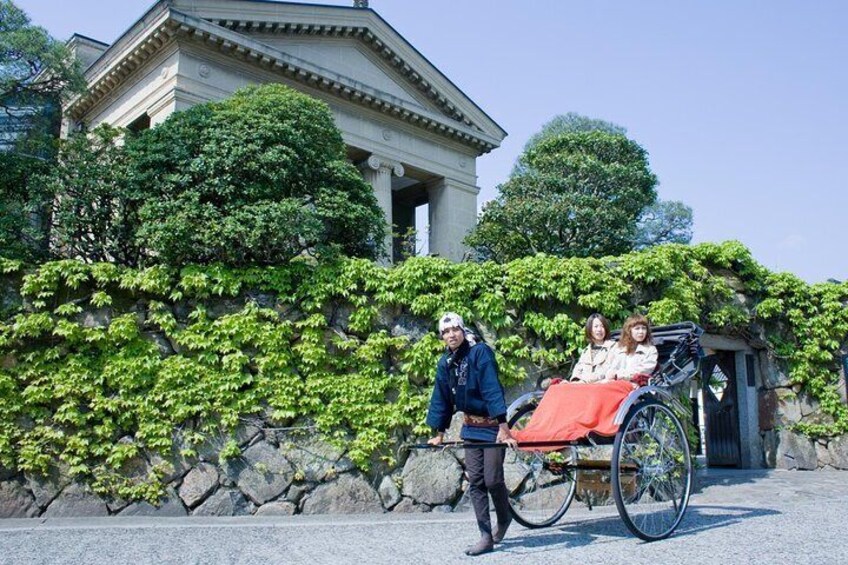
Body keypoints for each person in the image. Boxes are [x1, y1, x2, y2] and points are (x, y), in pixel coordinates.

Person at [426, 312, 517, 556]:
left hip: (492, 427)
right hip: (470, 427)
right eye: (445, 332)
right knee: (475, 481)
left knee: (492, 479)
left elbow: (491, 388)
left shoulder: (480, 352)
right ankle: (485, 536)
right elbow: (441, 398)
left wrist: (503, 427)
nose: (450, 335)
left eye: (454, 329)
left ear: (462, 330)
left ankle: (505, 518)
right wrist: (439, 433)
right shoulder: (446, 363)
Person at [606, 313, 658, 382]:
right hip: (615, 382)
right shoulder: (620, 348)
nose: (641, 332)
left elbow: (643, 370)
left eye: (644, 328)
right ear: (629, 331)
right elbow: (612, 367)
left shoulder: (651, 350)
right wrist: (610, 373)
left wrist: (619, 375)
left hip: (635, 385)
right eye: (637, 328)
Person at [570, 313, 616, 383]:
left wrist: (585, 380)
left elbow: (608, 369)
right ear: (589, 329)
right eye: (596, 326)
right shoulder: (586, 351)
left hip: (601, 385)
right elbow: (578, 368)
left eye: (602, 326)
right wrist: (575, 380)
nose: (599, 329)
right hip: (583, 386)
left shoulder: (613, 347)